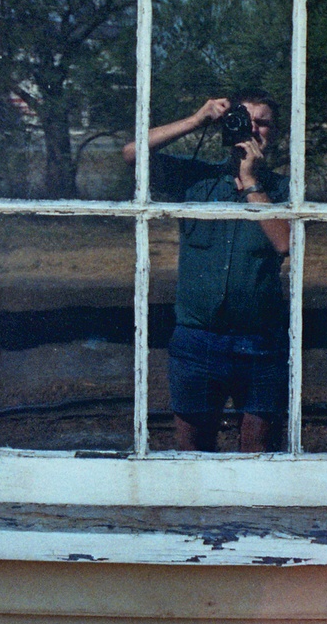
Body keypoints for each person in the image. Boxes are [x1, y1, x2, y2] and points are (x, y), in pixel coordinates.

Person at [123, 92, 290, 452]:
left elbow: (284, 242)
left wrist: (250, 182)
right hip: (197, 339)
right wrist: (197, 120)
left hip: (261, 340)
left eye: (263, 122)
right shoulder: (196, 178)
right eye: (245, 119)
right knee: (192, 454)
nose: (253, 128)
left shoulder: (283, 189)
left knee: (259, 453)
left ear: (275, 134)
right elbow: (132, 154)